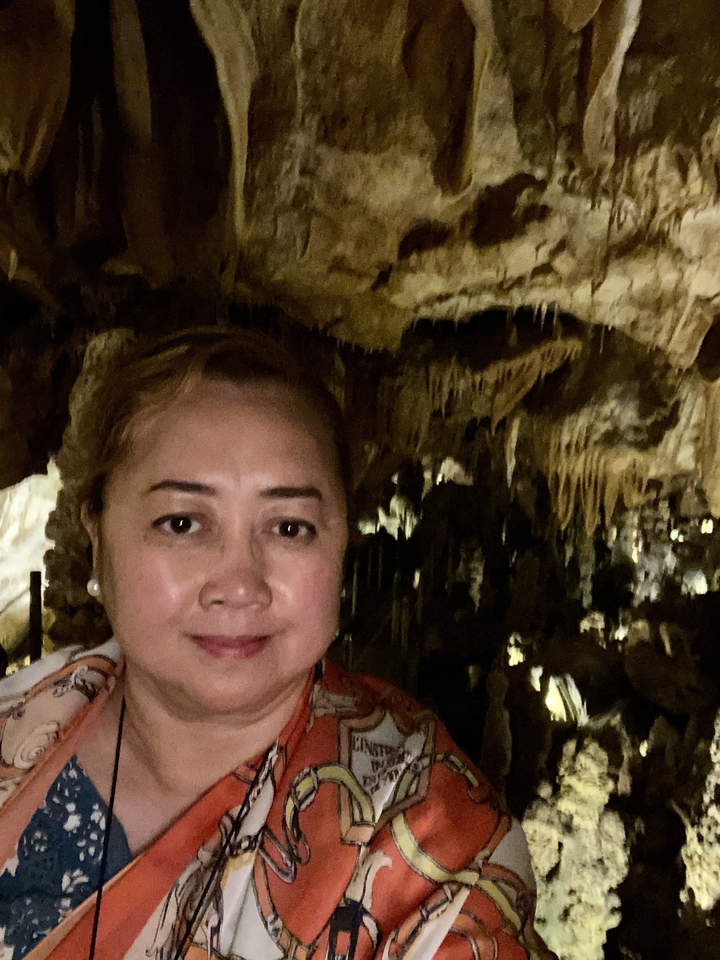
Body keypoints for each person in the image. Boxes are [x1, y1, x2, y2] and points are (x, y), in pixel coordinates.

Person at [0, 327, 552, 960]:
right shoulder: (19, 720)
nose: (239, 586)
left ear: (343, 541)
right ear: (95, 537)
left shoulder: (428, 841)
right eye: (182, 522)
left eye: (289, 527)